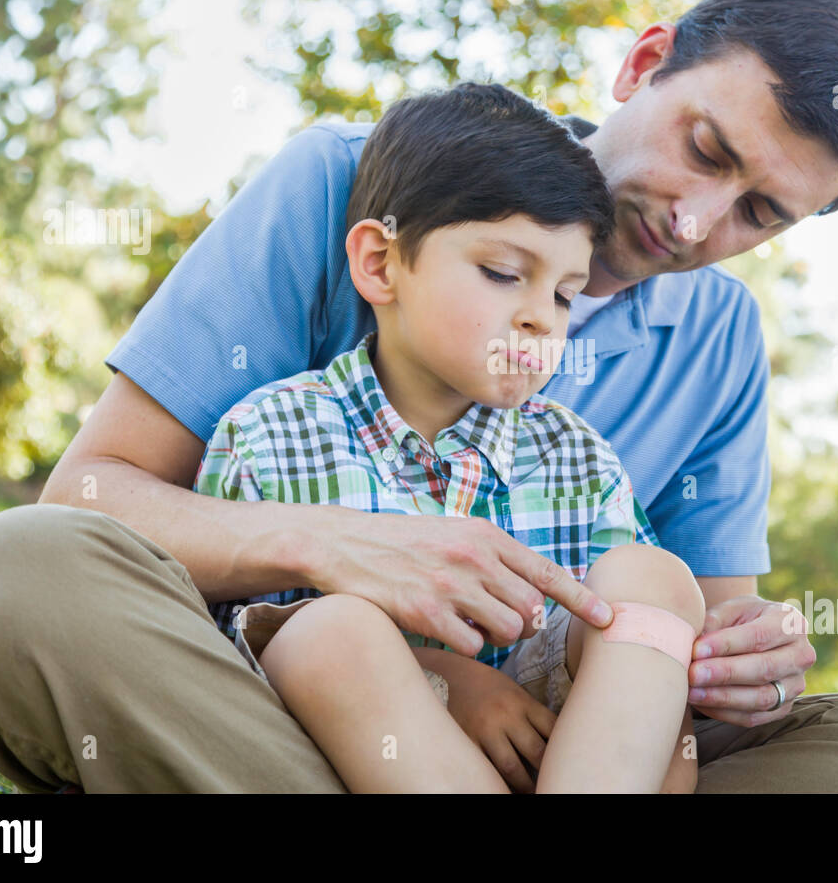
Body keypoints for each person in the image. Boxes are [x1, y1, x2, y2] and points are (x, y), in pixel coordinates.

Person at [0, 0, 838, 792]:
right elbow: (92, 497)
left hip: (565, 750)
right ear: (643, 65)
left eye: (758, 213)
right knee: (17, 573)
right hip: (284, 711)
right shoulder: (353, 184)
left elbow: (687, 640)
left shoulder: (716, 335)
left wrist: (747, 661)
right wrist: (329, 546)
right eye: (706, 147)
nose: (694, 220)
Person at [196, 82, 704, 792]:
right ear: (380, 264)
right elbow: (213, 656)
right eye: (503, 274)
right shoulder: (269, 434)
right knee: (328, 633)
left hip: (559, 756)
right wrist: (437, 677)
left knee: (654, 579)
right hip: (337, 748)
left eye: (564, 294)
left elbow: (648, 680)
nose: (541, 319)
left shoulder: (577, 458)